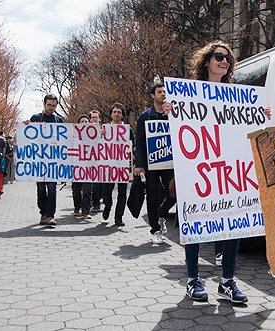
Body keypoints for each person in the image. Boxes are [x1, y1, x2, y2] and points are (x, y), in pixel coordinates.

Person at [179, 41, 254, 304]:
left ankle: (227, 282)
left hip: (228, 170)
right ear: (207, 60)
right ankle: (192, 280)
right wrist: (170, 111)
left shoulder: (236, 95)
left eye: (228, 59)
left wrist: (261, 114)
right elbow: (180, 126)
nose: (224, 61)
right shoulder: (188, 93)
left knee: (233, 223)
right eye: (219, 56)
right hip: (199, 169)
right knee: (196, 221)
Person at [134, 79, 176, 244]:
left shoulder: (173, 114)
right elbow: (140, 142)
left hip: (169, 162)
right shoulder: (145, 117)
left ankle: (162, 213)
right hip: (151, 164)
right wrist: (139, 165)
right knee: (152, 196)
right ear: (153, 95)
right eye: (159, 92)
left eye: (164, 92)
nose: (163, 94)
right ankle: (155, 230)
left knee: (175, 191)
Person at [24, 94, 64, 226]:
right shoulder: (36, 118)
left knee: (52, 188)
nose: (52, 108)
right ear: (44, 104)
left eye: (54, 105)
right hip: (39, 161)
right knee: (41, 189)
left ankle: (50, 215)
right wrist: (26, 126)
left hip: (53, 162)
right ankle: (43, 213)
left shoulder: (59, 120)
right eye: (49, 105)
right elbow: (29, 137)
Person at [101, 103, 131, 226]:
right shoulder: (105, 128)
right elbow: (98, 145)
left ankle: (119, 217)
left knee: (123, 193)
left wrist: (131, 150)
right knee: (106, 191)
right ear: (111, 114)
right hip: (109, 166)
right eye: (114, 112)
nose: (117, 114)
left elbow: (133, 144)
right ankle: (107, 206)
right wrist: (100, 134)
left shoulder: (127, 129)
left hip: (123, 166)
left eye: (119, 112)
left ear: (123, 115)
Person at [72, 114, 93, 219]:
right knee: (76, 189)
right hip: (76, 166)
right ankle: (77, 207)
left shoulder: (94, 135)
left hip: (89, 166)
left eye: (86, 121)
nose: (84, 123)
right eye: (82, 122)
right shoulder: (73, 135)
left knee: (87, 189)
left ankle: (86, 211)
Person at [89, 109, 102, 212]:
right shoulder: (85, 130)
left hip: (101, 159)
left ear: (99, 119)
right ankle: (94, 204)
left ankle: (97, 202)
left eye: (96, 117)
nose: (94, 119)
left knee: (99, 184)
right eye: (93, 117)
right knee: (92, 183)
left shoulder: (104, 129)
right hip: (89, 160)